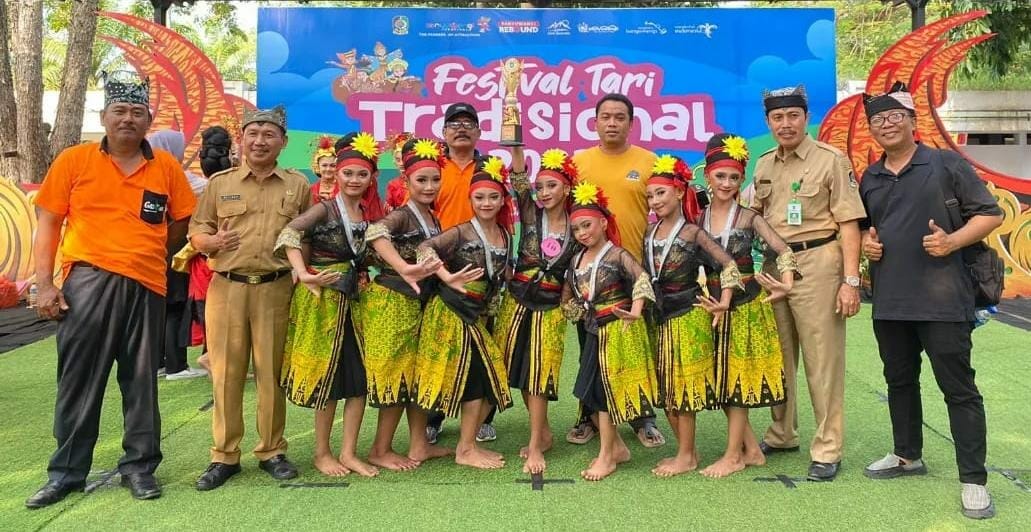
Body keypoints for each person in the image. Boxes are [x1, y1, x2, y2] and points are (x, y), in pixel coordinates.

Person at [26, 73, 196, 508]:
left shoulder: (165, 167)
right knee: (79, 380)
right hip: (86, 282)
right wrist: (45, 285)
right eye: (119, 111)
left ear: (148, 122)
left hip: (147, 284)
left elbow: (180, 222)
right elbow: (48, 224)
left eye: (137, 113)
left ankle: (139, 468)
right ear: (104, 117)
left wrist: (150, 255)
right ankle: (66, 473)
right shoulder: (74, 160)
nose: (128, 119)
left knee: (141, 381)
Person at [857, 82, 1003, 519]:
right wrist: (869, 244)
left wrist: (952, 241)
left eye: (895, 116)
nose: (887, 123)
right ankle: (907, 455)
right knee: (899, 382)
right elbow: (868, 226)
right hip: (889, 300)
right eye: (878, 119)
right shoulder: (870, 176)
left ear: (913, 122)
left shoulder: (945, 164)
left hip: (943, 298)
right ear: (872, 129)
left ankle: (974, 481)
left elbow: (991, 214)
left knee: (959, 390)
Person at [189, 105, 312, 491]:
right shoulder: (220, 183)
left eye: (269, 134)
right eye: (253, 133)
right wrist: (211, 242)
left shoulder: (297, 185)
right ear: (241, 139)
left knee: (271, 374)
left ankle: (272, 450)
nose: (260, 141)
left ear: (283, 142)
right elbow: (197, 230)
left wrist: (301, 276)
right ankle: (224, 455)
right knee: (226, 374)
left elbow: (305, 237)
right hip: (226, 287)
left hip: (276, 288)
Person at [751, 85, 867, 481]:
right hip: (773, 265)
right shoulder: (764, 165)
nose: (785, 124)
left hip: (819, 262)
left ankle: (828, 448)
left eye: (793, 116)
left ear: (806, 117)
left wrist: (850, 280)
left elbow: (850, 223)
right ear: (768, 122)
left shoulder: (830, 160)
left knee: (823, 361)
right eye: (777, 118)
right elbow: (754, 218)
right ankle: (782, 432)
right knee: (779, 358)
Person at [275, 131, 385, 478]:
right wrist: (303, 274)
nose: (354, 180)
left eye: (361, 174)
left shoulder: (367, 213)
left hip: (356, 304)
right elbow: (289, 234)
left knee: (359, 380)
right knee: (329, 380)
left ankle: (349, 452)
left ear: (371, 178)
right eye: (348, 173)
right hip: (324, 303)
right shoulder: (324, 208)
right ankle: (323, 453)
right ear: (336, 173)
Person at [568, 92, 664, 449]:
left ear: (630, 122)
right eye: (605, 116)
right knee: (589, 348)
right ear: (594, 122)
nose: (612, 123)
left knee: (635, 348)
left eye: (619, 117)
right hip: (590, 275)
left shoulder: (649, 161)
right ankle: (588, 416)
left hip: (634, 270)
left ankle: (642, 417)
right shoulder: (577, 162)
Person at [697, 134, 796, 478]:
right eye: (720, 176)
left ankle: (733, 455)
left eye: (734, 177)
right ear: (707, 176)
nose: (726, 183)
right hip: (711, 308)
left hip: (746, 308)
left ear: (742, 179)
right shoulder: (697, 219)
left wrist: (787, 284)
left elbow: (783, 251)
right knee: (720, 379)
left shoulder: (750, 218)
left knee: (736, 381)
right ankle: (752, 449)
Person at [641, 154, 738, 478]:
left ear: (680, 192)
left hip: (688, 315)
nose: (655, 201)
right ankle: (689, 451)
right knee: (666, 389)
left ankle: (685, 455)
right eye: (651, 196)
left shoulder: (693, 234)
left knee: (682, 389)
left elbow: (729, 265)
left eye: (661, 193)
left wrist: (724, 301)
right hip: (659, 317)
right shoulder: (649, 234)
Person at [414, 156, 514, 469]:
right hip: (451, 313)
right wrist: (446, 276)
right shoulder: (459, 232)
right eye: (479, 197)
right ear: (470, 199)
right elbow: (424, 248)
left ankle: (466, 445)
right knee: (477, 379)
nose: (486, 203)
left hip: (478, 314)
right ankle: (464, 449)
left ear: (502, 200)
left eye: (493, 197)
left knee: (489, 379)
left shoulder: (506, 235)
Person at [359, 137, 452, 469]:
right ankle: (380, 449)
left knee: (415, 377)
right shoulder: (402, 215)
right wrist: (403, 266)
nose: (429, 186)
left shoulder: (429, 215)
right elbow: (374, 233)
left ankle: (418, 446)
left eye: (435, 179)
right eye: (421, 180)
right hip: (392, 303)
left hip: (418, 304)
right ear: (406, 182)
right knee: (395, 378)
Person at [562, 181, 659, 481]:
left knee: (603, 394)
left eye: (587, 225)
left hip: (618, 332)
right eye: (576, 229)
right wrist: (573, 310)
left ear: (603, 222)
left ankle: (607, 456)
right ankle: (616, 447)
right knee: (587, 392)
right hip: (593, 333)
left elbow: (643, 281)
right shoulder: (576, 259)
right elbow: (568, 297)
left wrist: (636, 312)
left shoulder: (618, 255)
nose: (582, 233)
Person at [494, 148, 580, 475]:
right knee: (516, 367)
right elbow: (518, 179)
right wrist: (515, 145)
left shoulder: (578, 225)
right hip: (516, 301)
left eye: (551, 186)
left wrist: (571, 302)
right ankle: (541, 432)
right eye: (540, 187)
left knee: (539, 373)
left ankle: (535, 445)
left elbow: (577, 268)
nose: (543, 193)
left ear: (567, 189)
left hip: (551, 307)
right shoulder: (530, 213)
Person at [426, 102, 499, 444]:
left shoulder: (490, 167)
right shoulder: (433, 169)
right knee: (441, 345)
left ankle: (484, 417)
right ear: (443, 132)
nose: (461, 128)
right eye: (453, 123)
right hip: (440, 264)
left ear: (480, 132)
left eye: (469, 123)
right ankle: (434, 416)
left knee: (487, 339)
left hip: (482, 263)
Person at [149, 129, 208, 381]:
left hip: (153, 250)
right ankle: (176, 365)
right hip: (174, 247)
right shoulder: (176, 175)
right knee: (175, 306)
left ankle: (159, 362)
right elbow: (209, 187)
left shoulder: (148, 173)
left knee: (160, 308)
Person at [309, 135, 339, 202]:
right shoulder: (311, 190)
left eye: (332, 165)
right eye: (324, 165)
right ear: (317, 166)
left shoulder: (344, 189)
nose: (328, 169)